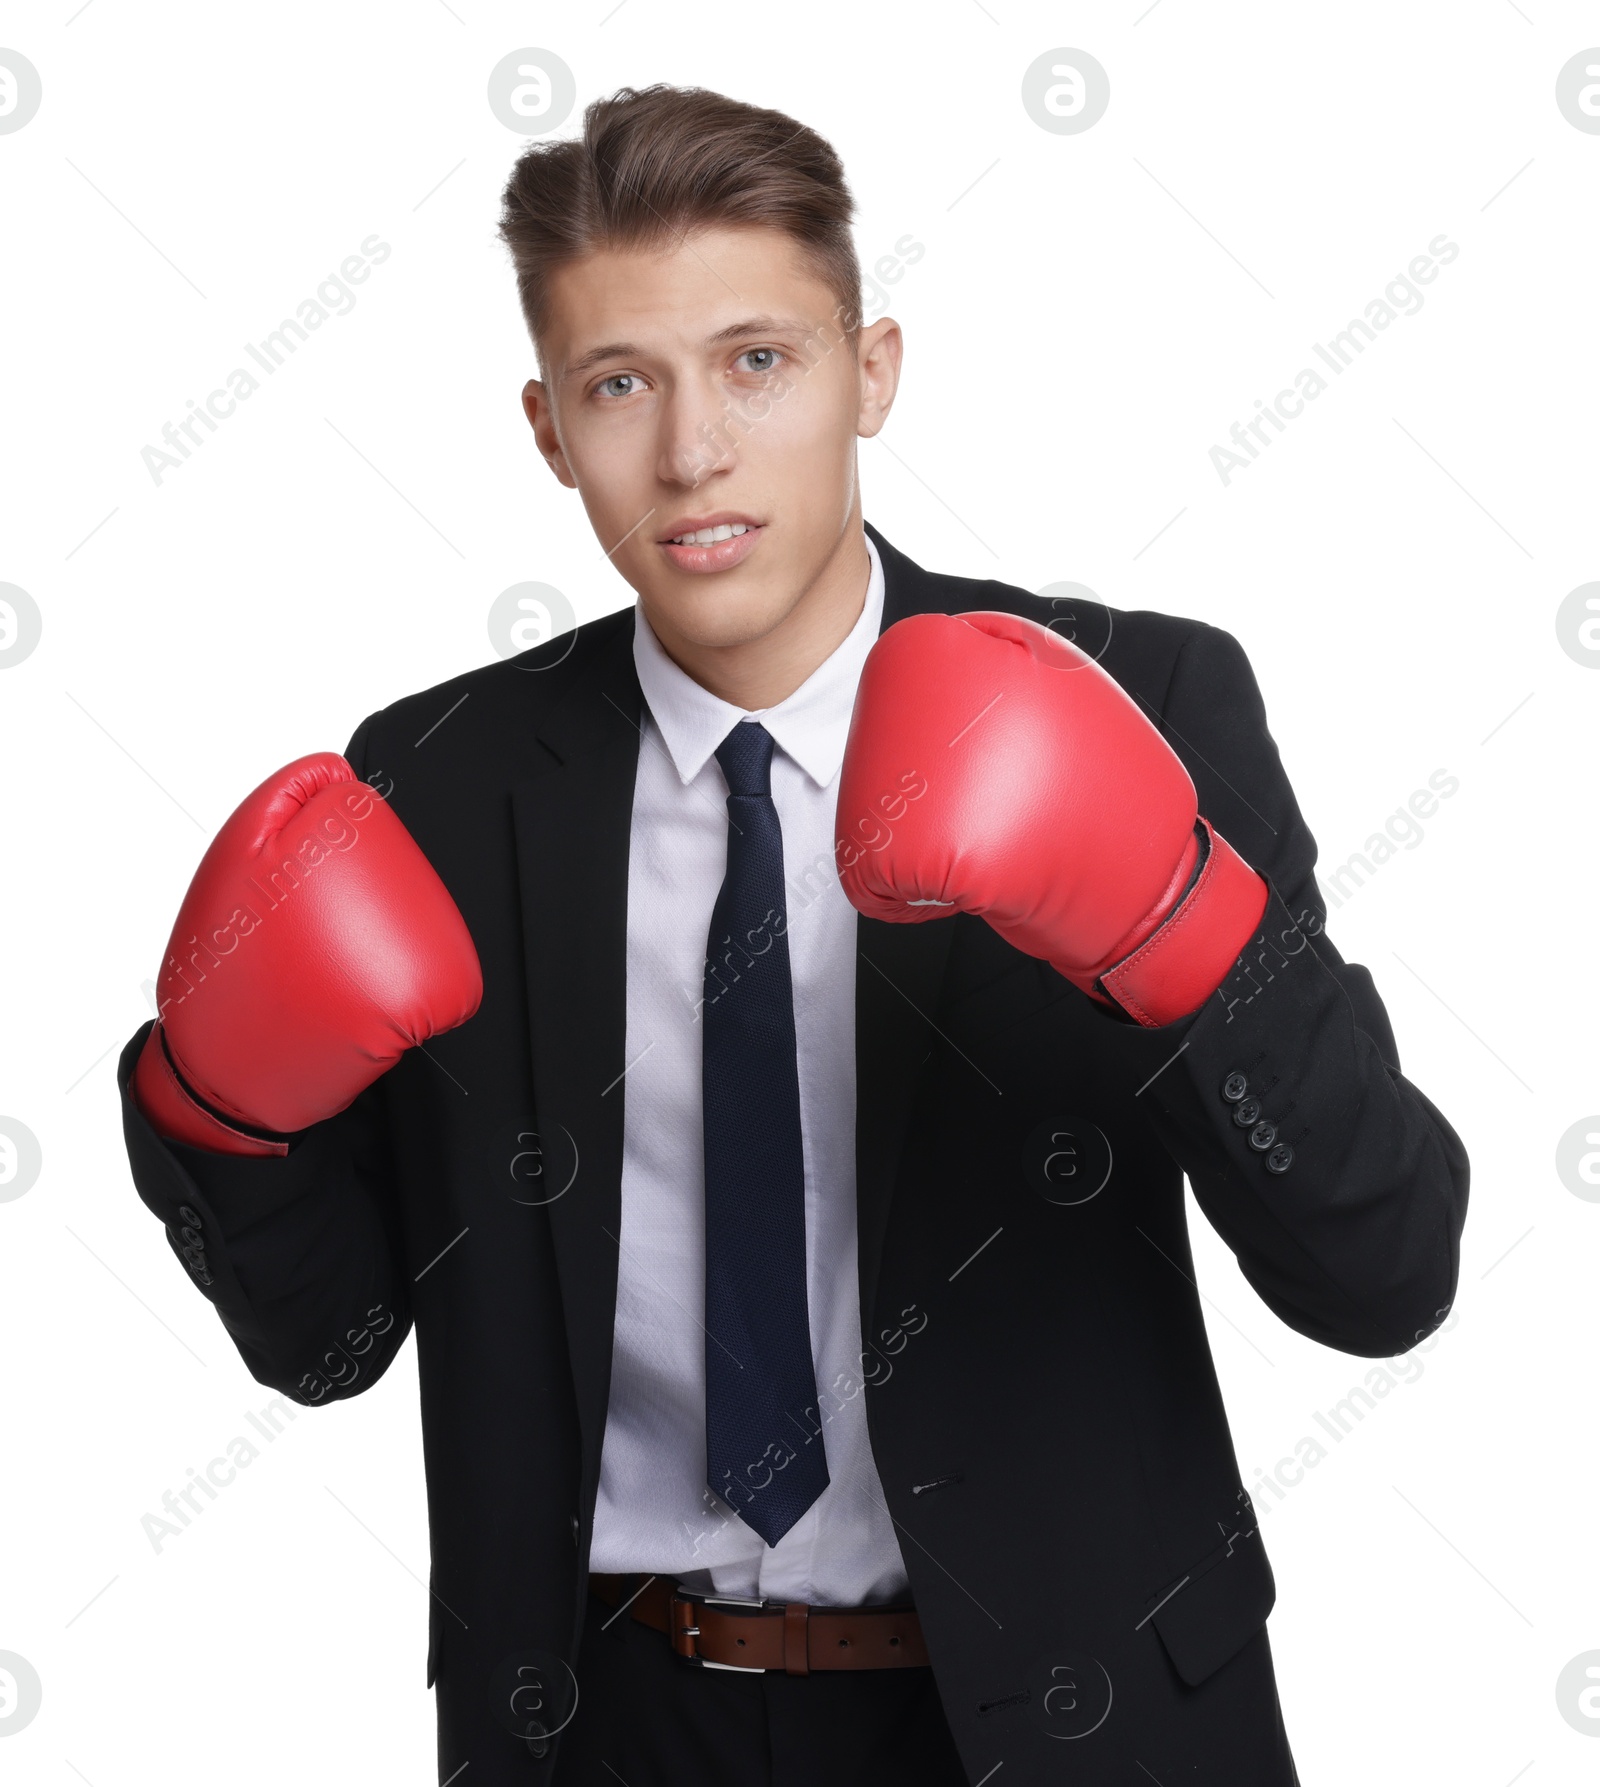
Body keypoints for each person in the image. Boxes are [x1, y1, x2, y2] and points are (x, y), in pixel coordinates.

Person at [115, 83, 1469, 1786]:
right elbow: (326, 1342)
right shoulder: (441, 786)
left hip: (1074, 1716)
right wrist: (209, 1105)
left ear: (871, 370)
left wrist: (1175, 920)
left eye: (760, 361)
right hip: (604, 1726)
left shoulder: (1144, 700)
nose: (693, 453)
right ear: (549, 429)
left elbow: (1385, 1270)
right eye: (623, 386)